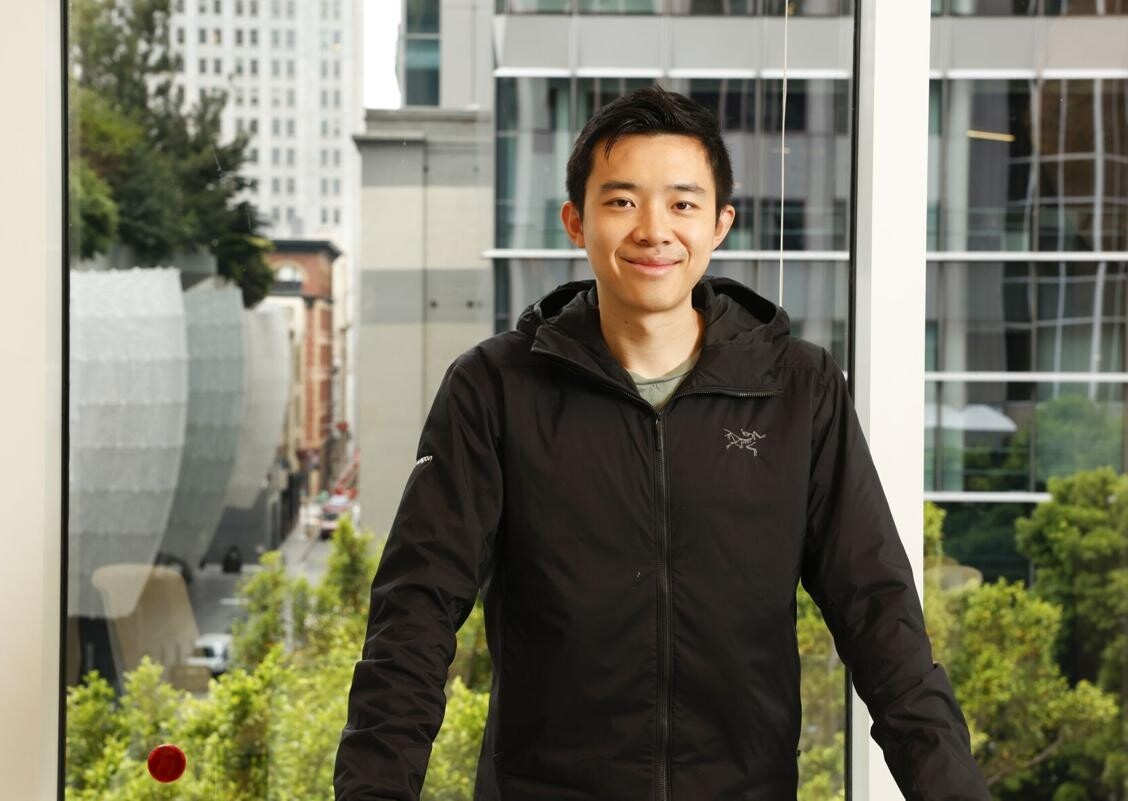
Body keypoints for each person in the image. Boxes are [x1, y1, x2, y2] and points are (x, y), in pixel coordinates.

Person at [333, 85, 990, 800]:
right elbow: (414, 616)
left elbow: (881, 619)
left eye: (682, 204)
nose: (654, 230)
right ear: (576, 221)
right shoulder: (494, 387)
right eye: (622, 201)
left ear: (720, 224)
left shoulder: (799, 389)